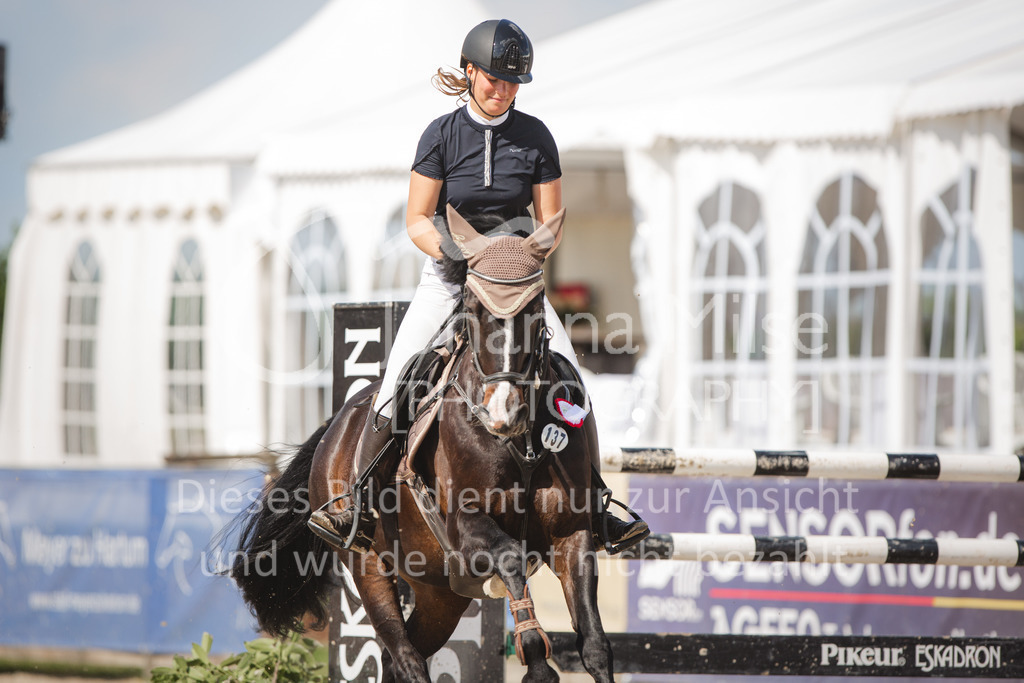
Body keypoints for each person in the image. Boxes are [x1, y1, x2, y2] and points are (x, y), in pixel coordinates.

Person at [309, 19, 647, 554]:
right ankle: (357, 500)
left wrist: (516, 258)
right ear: (470, 71)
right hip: (450, 276)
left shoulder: (536, 137)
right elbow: (417, 218)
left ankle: (597, 505)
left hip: (515, 284)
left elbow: (551, 224)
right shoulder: (441, 135)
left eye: (513, 82)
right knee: (396, 379)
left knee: (573, 386)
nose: (503, 90)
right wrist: (459, 253)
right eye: (494, 79)